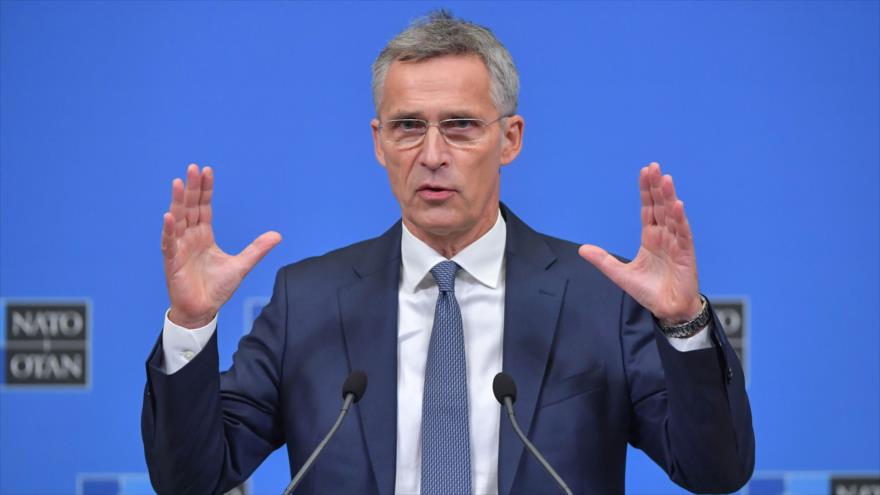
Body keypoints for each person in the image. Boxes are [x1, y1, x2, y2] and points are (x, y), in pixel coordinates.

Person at [142, 11, 754, 495]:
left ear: (509, 139)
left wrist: (683, 323)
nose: (432, 154)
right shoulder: (308, 301)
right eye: (408, 126)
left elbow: (714, 472)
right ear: (379, 144)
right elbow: (192, 479)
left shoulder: (599, 299)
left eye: (459, 125)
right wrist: (192, 325)